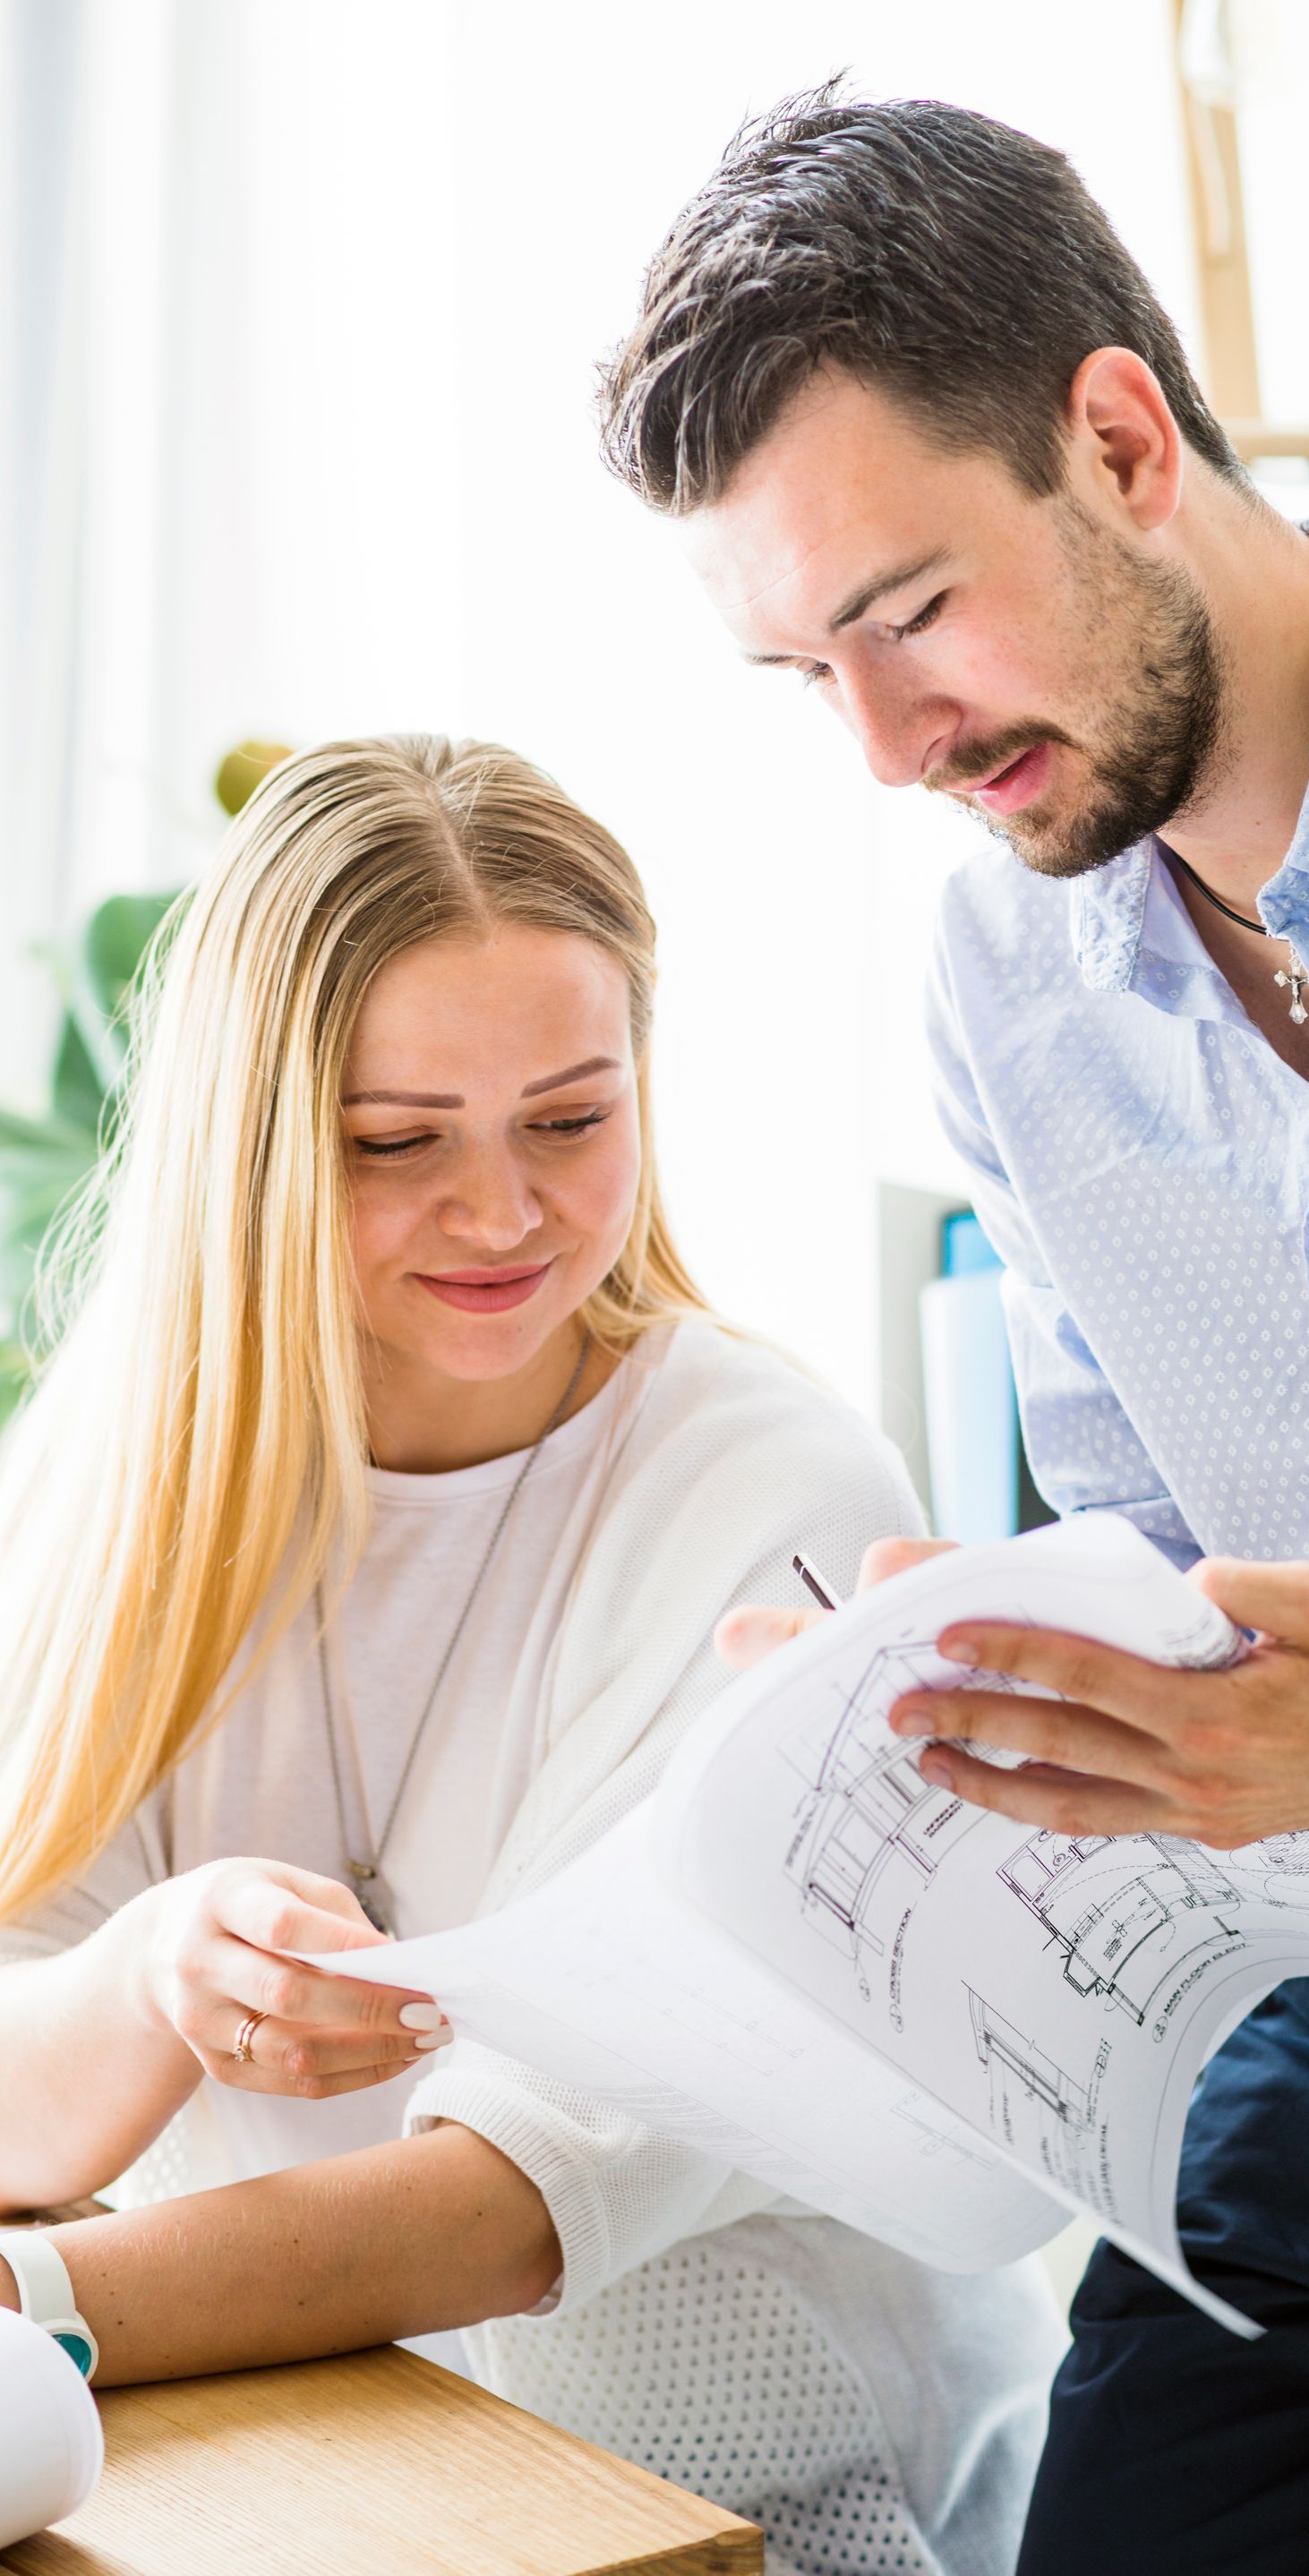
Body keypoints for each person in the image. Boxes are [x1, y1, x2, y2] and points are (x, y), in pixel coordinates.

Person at [597, 83, 1309, 2576]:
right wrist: (966, 1656)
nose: (889, 747)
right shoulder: (1010, 963)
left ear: (1119, 434)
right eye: (809, 673)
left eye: (907, 617)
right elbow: (1145, 1535)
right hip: (1292, 2012)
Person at [0, 733, 1060, 2574]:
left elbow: (526, 2194)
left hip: (732, 2497)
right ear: (250, 1138)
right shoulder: (115, 1478)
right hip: (291, 2458)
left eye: (571, 1120)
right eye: (399, 1143)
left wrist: (41, 2305)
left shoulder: (770, 1484)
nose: (501, 1214)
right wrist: (157, 1973)